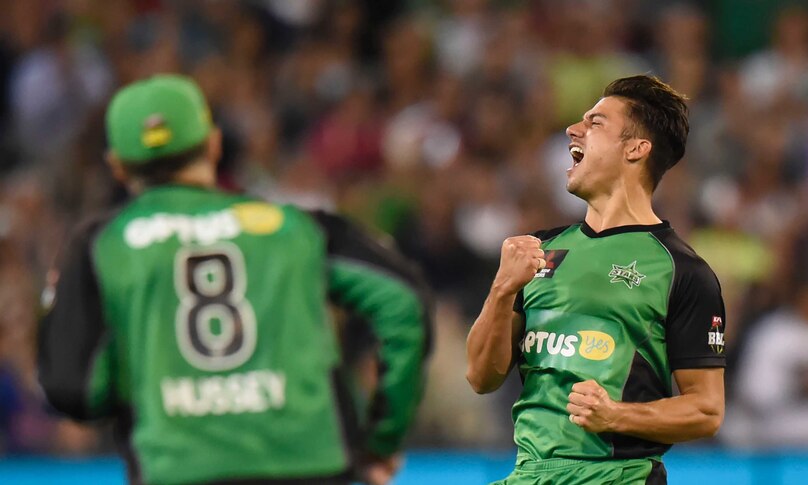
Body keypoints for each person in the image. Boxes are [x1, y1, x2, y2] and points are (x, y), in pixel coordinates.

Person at [37, 74, 432, 485]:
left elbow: (76, 390)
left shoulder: (103, 246)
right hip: (310, 464)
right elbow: (401, 300)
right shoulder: (292, 227)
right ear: (213, 143)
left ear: (117, 166)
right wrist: (380, 441)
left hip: (179, 469)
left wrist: (60, 308)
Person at [466, 75, 726, 485]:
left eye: (596, 122)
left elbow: (707, 410)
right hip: (528, 474)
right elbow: (482, 377)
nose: (574, 129)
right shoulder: (539, 251)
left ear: (636, 149)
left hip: (616, 476)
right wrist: (502, 290)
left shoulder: (682, 271)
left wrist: (616, 415)